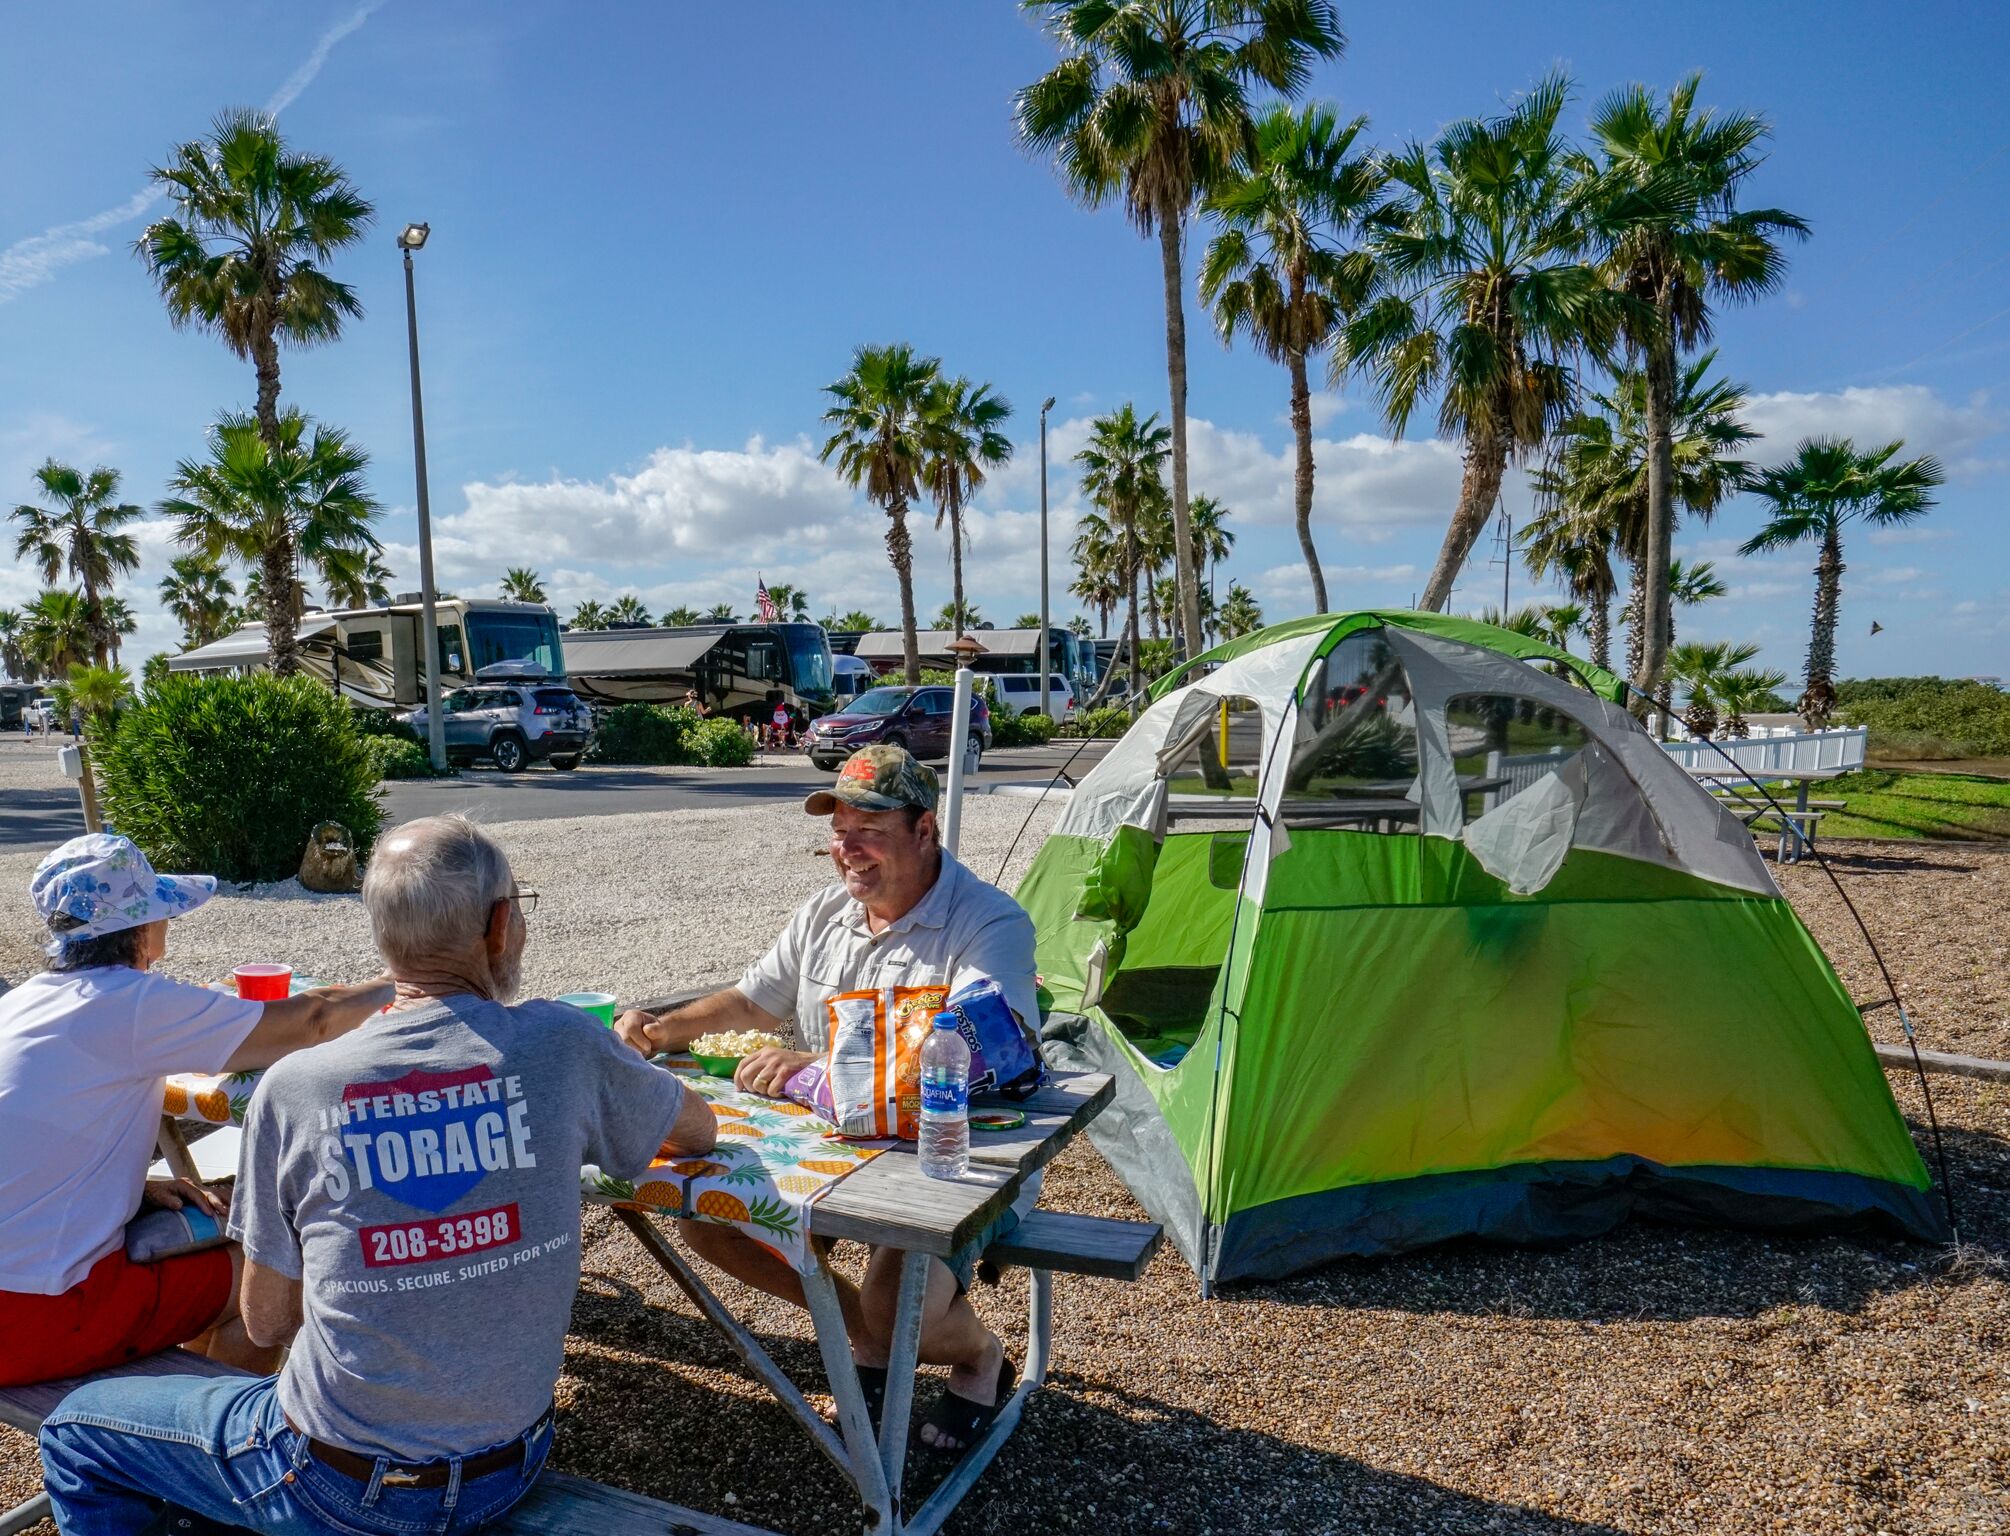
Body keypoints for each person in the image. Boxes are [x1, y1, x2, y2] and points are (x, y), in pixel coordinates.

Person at [38, 815, 719, 1536]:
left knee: (75, 1431)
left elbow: (268, 1321)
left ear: (385, 935)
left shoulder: (298, 1087)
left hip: (333, 1478)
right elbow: (698, 1130)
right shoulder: (566, 1044)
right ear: (497, 928)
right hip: (510, 1464)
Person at [615, 744, 1040, 1454]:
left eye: (869, 830)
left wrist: (817, 1063)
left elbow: (980, 1045)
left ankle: (980, 1358)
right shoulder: (825, 912)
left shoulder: (989, 922)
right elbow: (753, 1001)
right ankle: (862, 1339)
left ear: (925, 831)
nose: (848, 850)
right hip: (834, 1149)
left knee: (900, 1308)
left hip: (952, 1158)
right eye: (839, 830)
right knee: (710, 1221)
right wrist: (660, 1029)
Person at [0, 833, 395, 1390]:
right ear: (140, 928)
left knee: (233, 1246)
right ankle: (203, 1447)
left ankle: (180, 1405)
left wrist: (131, 1192)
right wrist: (406, 979)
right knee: (275, 1277)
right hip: (34, 1316)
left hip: (17, 1293)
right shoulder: (131, 1003)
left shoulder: (20, 1004)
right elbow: (312, 1021)